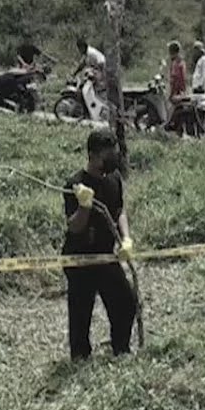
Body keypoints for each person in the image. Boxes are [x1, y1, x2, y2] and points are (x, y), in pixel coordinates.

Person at [63, 131, 137, 361]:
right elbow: (74, 227)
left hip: (106, 255)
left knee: (125, 302)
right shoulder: (75, 184)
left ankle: (121, 349)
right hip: (80, 257)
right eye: (108, 155)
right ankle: (80, 356)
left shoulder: (114, 178)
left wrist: (126, 239)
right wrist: (84, 205)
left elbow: (119, 211)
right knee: (81, 310)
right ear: (93, 155)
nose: (113, 159)